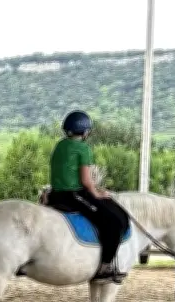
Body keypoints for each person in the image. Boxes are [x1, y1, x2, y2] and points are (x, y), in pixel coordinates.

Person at [46, 110, 129, 282]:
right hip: (73, 195)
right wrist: (99, 194)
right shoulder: (83, 149)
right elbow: (86, 181)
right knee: (113, 222)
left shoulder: (60, 145)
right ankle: (105, 268)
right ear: (85, 131)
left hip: (55, 194)